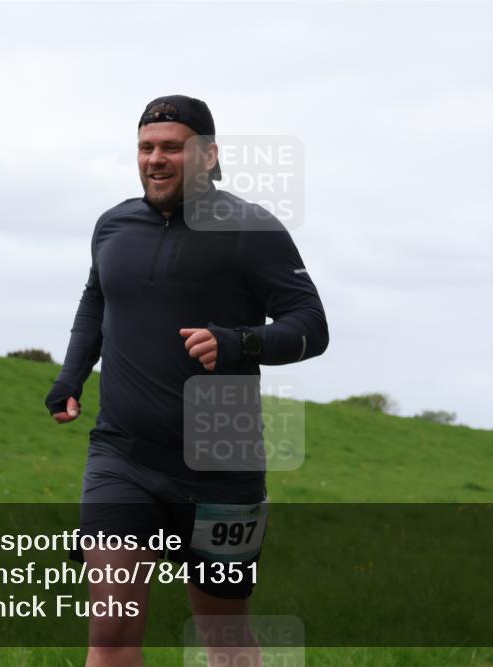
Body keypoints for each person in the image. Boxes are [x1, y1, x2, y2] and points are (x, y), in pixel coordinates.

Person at [45, 95, 329, 667]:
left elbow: (312, 326)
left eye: (170, 147)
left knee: (222, 637)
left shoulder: (250, 227)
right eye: (146, 148)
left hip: (221, 467)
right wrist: (71, 376)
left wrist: (237, 341)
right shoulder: (113, 226)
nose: (155, 159)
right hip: (121, 457)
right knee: (111, 630)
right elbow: (96, 302)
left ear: (207, 155)